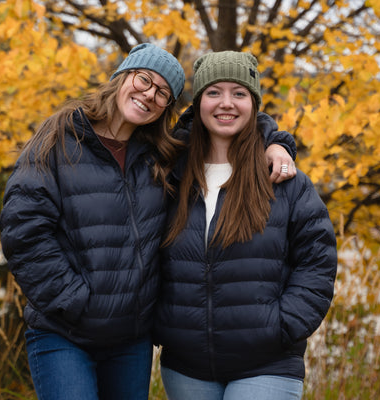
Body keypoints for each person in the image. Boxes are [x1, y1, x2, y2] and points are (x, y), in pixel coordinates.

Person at [0, 43, 297, 400]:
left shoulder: (163, 154)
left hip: (130, 338)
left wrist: (276, 141)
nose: (149, 95)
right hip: (64, 332)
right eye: (144, 80)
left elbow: (225, 119)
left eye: (163, 94)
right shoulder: (60, 138)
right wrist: (73, 301)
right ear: (122, 76)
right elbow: (24, 231)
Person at [154, 51, 338, 400]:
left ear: (253, 103)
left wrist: (282, 326)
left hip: (266, 364)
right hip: (186, 366)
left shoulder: (284, 180)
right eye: (214, 92)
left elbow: (318, 260)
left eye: (239, 93)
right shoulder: (169, 175)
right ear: (198, 103)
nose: (227, 103)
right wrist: (164, 324)